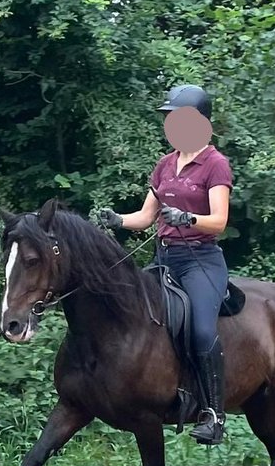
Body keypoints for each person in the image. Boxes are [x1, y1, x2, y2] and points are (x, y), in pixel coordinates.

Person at [95, 84, 233, 445]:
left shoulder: (215, 163)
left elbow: (219, 221)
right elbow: (145, 216)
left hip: (200, 261)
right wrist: (116, 220)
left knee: (202, 330)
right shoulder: (166, 163)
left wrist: (187, 217)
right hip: (164, 259)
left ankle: (214, 415)